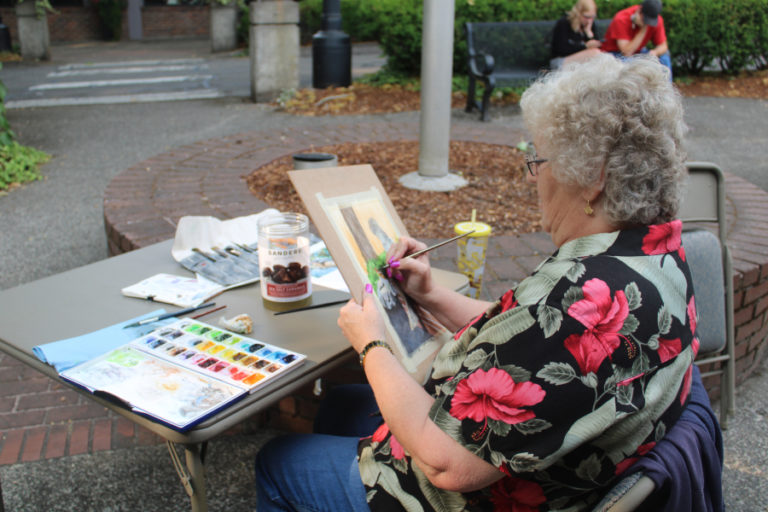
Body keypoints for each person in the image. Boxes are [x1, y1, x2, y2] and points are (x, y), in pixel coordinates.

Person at [255, 54, 710, 511]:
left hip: (468, 493)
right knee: (339, 406)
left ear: (592, 178)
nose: (534, 176)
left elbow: (447, 465)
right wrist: (431, 295)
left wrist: (370, 343)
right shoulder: (654, 257)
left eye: (539, 160)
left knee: (279, 460)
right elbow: (525, 334)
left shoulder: (582, 301)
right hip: (540, 464)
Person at [601, 0, 673, 77]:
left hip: (638, 52)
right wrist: (643, 30)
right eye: (645, 19)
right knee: (629, 63)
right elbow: (626, 52)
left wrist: (655, 52)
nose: (648, 23)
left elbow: (663, 46)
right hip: (615, 54)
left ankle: (666, 87)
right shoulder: (621, 19)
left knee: (664, 58)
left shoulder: (657, 20)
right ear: (639, 11)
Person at [550, 0, 602, 69]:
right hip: (560, 61)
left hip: (581, 61)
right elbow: (561, 49)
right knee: (595, 53)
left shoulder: (590, 24)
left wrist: (589, 34)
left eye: (592, 17)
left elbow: (596, 45)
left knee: (597, 55)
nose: (589, 21)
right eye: (586, 17)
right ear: (578, 13)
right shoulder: (564, 23)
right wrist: (585, 46)